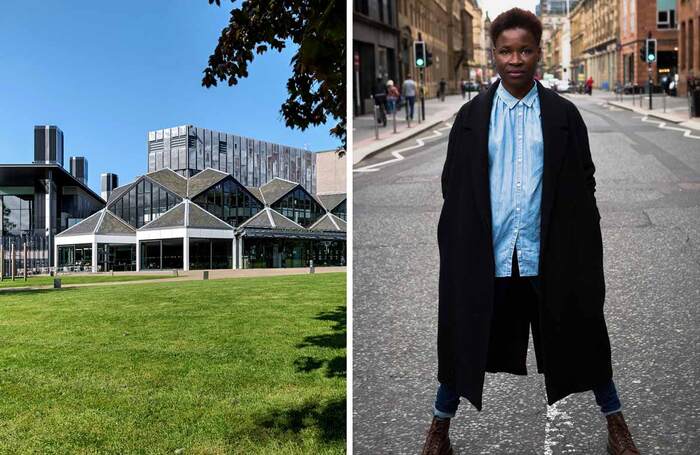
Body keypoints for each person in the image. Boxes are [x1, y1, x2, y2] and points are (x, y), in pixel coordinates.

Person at [422, 8, 640, 455]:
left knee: (585, 336)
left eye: (524, 50)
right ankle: (438, 431)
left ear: (538, 53)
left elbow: (585, 180)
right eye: (505, 51)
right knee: (463, 341)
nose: (515, 59)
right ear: (494, 55)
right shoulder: (469, 118)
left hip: (550, 254)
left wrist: (583, 240)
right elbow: (453, 185)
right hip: (490, 253)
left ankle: (616, 425)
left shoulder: (563, 115)